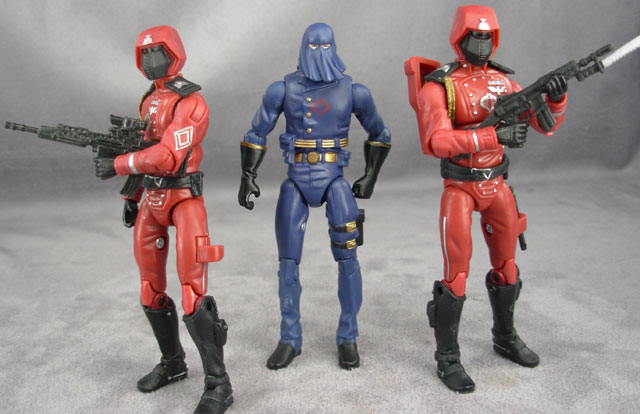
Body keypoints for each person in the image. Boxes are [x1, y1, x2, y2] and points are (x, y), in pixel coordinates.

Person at [405, 5, 568, 393]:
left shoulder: (504, 83)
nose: (480, 44)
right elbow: (436, 141)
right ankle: (447, 357)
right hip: (460, 188)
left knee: (507, 266)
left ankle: (505, 337)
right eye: (474, 36)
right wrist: (492, 136)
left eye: (486, 37)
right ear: (459, 38)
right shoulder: (440, 86)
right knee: (457, 274)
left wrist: (556, 100)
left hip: (497, 185)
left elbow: (545, 126)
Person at [94, 25, 232, 414]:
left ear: (175, 52)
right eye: (145, 53)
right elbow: (144, 147)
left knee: (192, 293)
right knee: (149, 288)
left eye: (158, 51)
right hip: (151, 200)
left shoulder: (192, 102)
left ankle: (219, 383)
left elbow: (167, 155)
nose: (151, 60)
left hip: (184, 198)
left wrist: (119, 165)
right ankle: (173, 363)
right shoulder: (149, 100)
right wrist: (131, 195)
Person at [238, 22, 391, 370]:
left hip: (335, 180)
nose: (319, 52)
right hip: (295, 180)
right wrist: (248, 175)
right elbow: (257, 130)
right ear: (302, 47)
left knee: (348, 260)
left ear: (334, 47)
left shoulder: (355, 91)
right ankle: (289, 338)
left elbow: (380, 132)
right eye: (313, 45)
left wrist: (370, 175)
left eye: (325, 46)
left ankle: (348, 335)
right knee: (287, 263)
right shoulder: (282, 89)